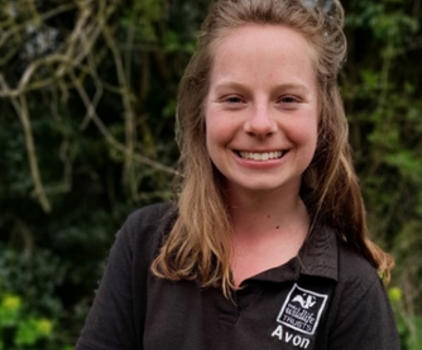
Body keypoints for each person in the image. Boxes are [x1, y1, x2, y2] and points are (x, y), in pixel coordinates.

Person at [75, 0, 401, 349]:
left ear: (323, 119)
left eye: (288, 99)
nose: (260, 124)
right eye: (234, 99)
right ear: (200, 113)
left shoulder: (351, 288)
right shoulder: (145, 244)